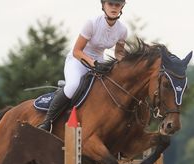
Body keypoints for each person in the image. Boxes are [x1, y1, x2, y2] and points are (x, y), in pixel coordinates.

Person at [38, 0, 128, 132]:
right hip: (78, 60)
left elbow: (119, 53)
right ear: (103, 5)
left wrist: (125, 64)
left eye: (117, 5)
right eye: (110, 4)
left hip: (99, 62)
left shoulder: (122, 30)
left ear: (122, 7)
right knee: (73, 86)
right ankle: (47, 123)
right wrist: (93, 63)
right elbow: (77, 51)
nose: (114, 7)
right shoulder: (92, 23)